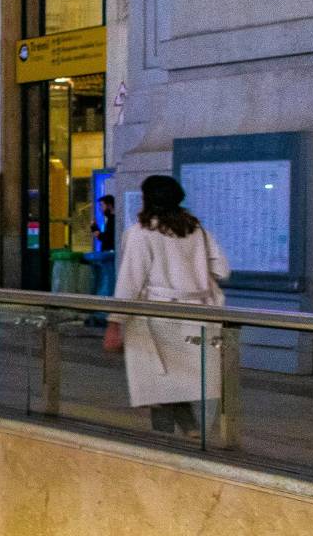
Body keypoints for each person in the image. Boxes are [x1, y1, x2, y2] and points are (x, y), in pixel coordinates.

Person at [105, 175, 230, 438]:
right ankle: (190, 429)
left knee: (158, 383)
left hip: (157, 315)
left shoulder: (141, 233)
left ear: (147, 199)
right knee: (184, 380)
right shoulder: (196, 230)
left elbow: (130, 280)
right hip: (197, 314)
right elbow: (222, 269)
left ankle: (165, 440)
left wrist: (115, 322)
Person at [87, 194, 119, 325]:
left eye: (102, 205)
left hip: (109, 257)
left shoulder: (112, 219)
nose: (101, 208)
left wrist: (94, 228)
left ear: (109, 205)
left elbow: (105, 238)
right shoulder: (110, 219)